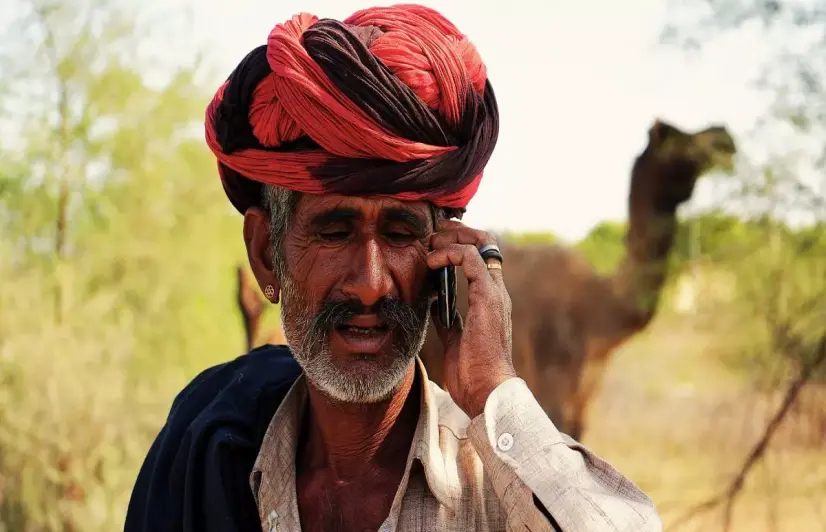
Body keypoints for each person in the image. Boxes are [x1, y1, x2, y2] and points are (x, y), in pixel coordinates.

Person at [125, 5, 662, 532]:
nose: (370, 283)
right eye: (334, 232)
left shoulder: (498, 491)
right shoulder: (208, 451)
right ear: (268, 253)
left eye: (402, 233)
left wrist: (493, 388)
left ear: (444, 255)